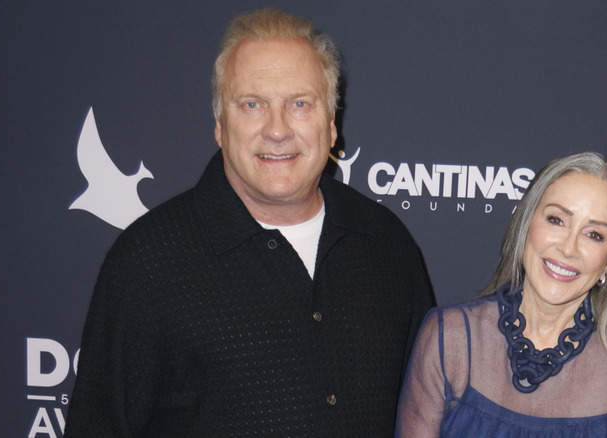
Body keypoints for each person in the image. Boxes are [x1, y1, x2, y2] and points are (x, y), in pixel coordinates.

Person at [65, 8, 433, 438]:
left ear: (331, 125)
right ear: (220, 124)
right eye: (252, 105)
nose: (277, 130)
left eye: (299, 104)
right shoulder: (147, 263)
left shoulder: (387, 245)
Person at [396, 152, 607, 437]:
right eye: (556, 220)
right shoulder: (449, 338)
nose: (568, 248)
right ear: (526, 224)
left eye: (594, 235)